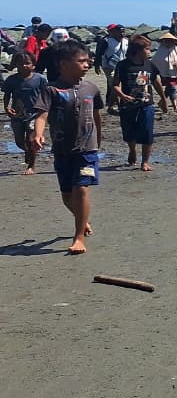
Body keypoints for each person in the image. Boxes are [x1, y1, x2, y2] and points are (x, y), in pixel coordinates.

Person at [30, 41, 104, 254]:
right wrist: (38, 134)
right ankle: (82, 219)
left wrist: (99, 139)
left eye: (88, 60)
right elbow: (42, 115)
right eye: (81, 61)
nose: (87, 64)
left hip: (87, 150)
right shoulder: (51, 89)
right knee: (66, 196)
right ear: (64, 64)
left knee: (81, 189)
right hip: (62, 150)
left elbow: (97, 116)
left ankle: (79, 236)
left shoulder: (91, 88)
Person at [114, 36, 160, 170]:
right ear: (137, 50)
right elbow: (115, 84)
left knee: (147, 133)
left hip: (147, 104)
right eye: (147, 49)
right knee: (129, 132)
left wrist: (163, 98)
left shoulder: (149, 64)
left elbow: (155, 81)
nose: (149, 52)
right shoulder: (123, 65)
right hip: (127, 105)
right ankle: (132, 150)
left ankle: (145, 161)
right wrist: (122, 95)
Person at [3, 51, 47, 174]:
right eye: (20, 63)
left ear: (33, 64)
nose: (24, 66)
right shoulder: (11, 80)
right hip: (17, 114)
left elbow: (46, 96)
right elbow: (7, 95)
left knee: (31, 139)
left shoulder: (40, 79)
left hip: (35, 114)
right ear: (15, 64)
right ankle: (28, 151)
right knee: (19, 142)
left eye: (27, 63)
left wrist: (45, 110)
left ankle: (31, 166)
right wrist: (6, 107)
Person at [150, 32, 177, 114]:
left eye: (171, 41)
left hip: (175, 72)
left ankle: (162, 102)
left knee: (169, 89)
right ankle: (175, 106)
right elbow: (156, 61)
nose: (169, 43)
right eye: (167, 41)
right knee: (172, 88)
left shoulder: (175, 49)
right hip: (165, 73)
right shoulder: (161, 50)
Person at [95, 24, 127, 113]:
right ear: (114, 32)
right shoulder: (106, 41)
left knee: (115, 86)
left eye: (123, 31)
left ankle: (111, 105)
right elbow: (99, 54)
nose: (122, 33)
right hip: (109, 67)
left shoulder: (126, 42)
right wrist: (96, 65)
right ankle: (119, 105)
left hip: (122, 66)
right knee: (115, 85)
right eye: (120, 31)